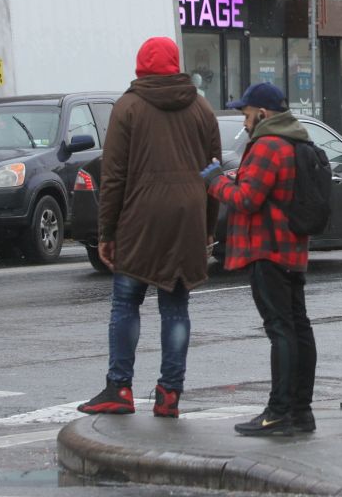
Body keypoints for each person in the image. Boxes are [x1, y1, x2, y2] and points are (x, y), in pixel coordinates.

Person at [78, 36, 221, 418]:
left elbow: (114, 176)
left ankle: (119, 387)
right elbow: (213, 173)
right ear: (176, 64)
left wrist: (106, 233)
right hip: (188, 216)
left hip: (140, 215)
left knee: (126, 301)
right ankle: (170, 392)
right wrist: (208, 226)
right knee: (176, 305)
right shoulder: (202, 109)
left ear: (140, 66)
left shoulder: (128, 107)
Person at [204, 82, 317, 436]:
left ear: (263, 114)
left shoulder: (268, 144)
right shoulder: (295, 140)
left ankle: (278, 412)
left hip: (268, 249)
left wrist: (215, 181)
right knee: (298, 328)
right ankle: (301, 411)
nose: (244, 121)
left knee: (280, 330)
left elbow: (246, 199)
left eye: (247, 113)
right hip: (292, 249)